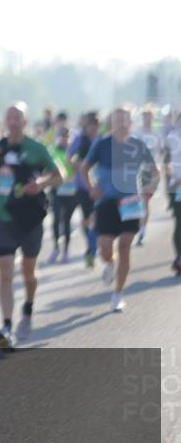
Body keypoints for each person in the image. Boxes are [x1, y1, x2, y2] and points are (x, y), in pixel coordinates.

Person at [0, 103, 64, 348]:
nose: (13, 122)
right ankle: (6, 325)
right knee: (5, 273)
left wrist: (40, 184)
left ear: (25, 121)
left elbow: (59, 175)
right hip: (3, 216)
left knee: (28, 273)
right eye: (10, 118)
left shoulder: (36, 148)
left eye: (17, 118)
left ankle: (28, 305)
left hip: (30, 218)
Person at [80, 107, 160, 312]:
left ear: (130, 123)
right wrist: (91, 188)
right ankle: (109, 263)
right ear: (111, 123)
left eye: (125, 119)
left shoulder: (138, 145)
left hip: (131, 202)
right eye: (117, 120)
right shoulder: (102, 144)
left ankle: (117, 295)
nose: (121, 123)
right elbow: (84, 168)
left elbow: (154, 171)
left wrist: (148, 191)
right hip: (106, 202)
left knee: (125, 246)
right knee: (105, 248)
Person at [67, 111, 102, 268]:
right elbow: (69, 157)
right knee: (87, 220)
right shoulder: (80, 140)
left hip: (100, 186)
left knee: (97, 218)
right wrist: (78, 165)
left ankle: (93, 248)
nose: (93, 128)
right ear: (86, 126)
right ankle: (91, 246)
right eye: (90, 125)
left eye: (96, 125)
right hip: (82, 185)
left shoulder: (102, 140)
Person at [46, 127, 78, 264]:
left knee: (67, 220)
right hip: (56, 189)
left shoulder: (73, 152)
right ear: (58, 137)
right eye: (62, 136)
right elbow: (48, 167)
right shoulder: (52, 151)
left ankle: (66, 251)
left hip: (71, 190)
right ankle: (56, 248)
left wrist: (73, 167)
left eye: (67, 136)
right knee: (56, 218)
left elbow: (80, 168)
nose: (64, 138)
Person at [136, 104, 163, 246]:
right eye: (145, 116)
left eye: (149, 116)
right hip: (137, 171)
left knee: (145, 202)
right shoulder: (137, 133)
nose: (147, 119)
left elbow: (161, 154)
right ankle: (137, 228)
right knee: (139, 201)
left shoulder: (157, 135)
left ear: (153, 118)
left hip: (151, 171)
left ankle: (142, 231)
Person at [165, 117, 181, 276]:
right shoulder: (171, 139)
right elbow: (166, 163)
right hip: (178, 188)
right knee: (180, 223)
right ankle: (179, 257)